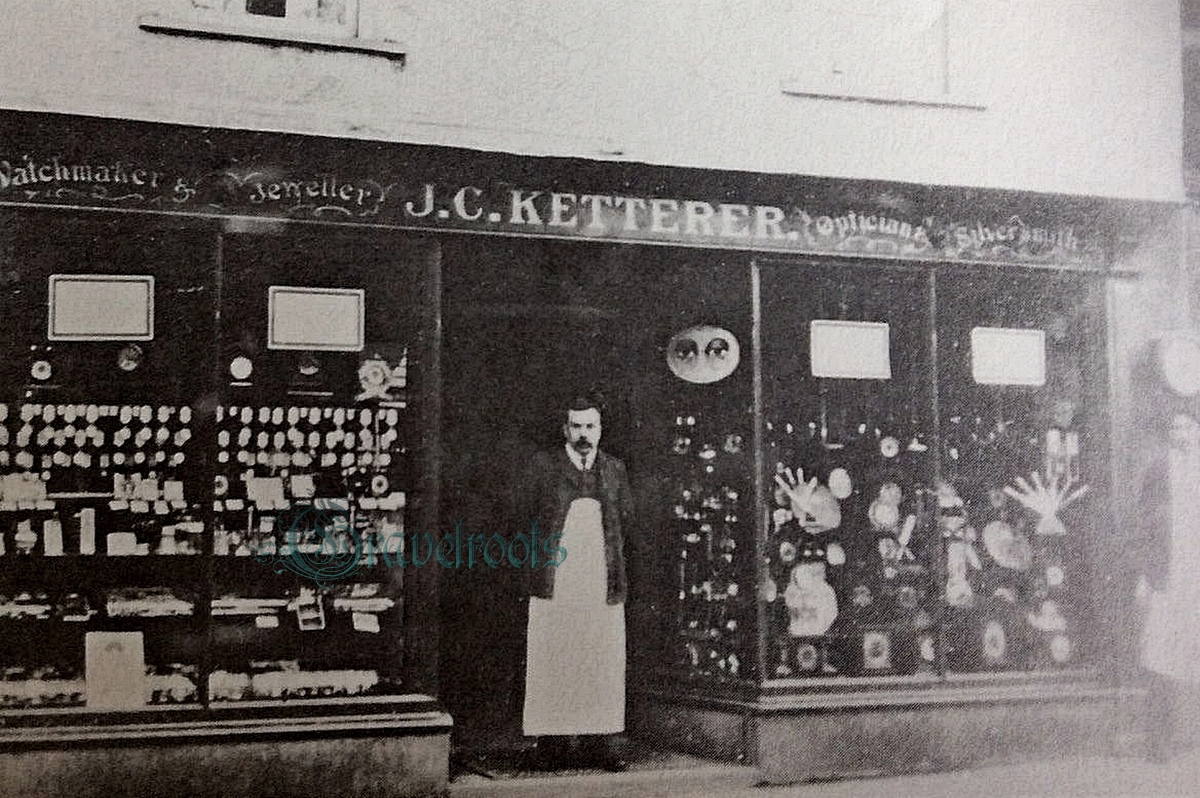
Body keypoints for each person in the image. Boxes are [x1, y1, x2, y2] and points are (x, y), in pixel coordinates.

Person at [517, 394, 634, 772]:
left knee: (601, 655)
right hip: (557, 579)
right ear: (565, 429)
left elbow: (628, 517)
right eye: (577, 426)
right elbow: (523, 515)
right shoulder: (542, 466)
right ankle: (552, 742)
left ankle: (601, 740)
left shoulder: (615, 469)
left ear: (600, 429)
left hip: (602, 577)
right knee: (555, 654)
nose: (584, 434)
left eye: (591, 426)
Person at [1133, 411, 1200, 761]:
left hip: (1197, 580)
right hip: (1168, 578)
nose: (1181, 433)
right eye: (1174, 427)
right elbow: (1145, 526)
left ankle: (1187, 735)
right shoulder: (1160, 469)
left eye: (1187, 426)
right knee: (1161, 658)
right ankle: (1158, 741)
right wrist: (1146, 575)